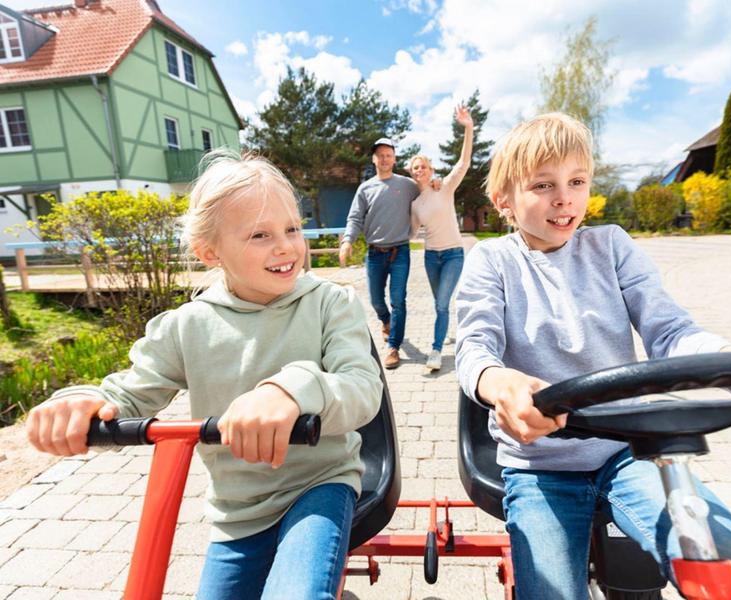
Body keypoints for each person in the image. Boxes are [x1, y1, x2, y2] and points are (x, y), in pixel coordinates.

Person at [455, 112, 731, 599]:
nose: (564, 198)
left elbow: (671, 330)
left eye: (576, 181)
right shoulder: (492, 261)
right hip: (540, 465)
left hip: (627, 450)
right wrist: (501, 382)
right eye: (543, 185)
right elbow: (474, 346)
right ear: (504, 201)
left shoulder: (611, 246)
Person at [26, 151, 383, 600]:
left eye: (292, 228)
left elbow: (362, 387)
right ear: (210, 252)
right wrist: (82, 401)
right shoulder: (187, 326)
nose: (286, 246)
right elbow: (132, 392)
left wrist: (292, 390)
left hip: (318, 484)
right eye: (259, 235)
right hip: (237, 509)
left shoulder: (331, 303)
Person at [339, 137, 419, 369]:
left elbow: (426, 196)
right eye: (380, 155)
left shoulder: (407, 185)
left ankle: (393, 347)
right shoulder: (365, 188)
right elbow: (354, 218)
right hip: (374, 253)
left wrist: (433, 185)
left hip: (400, 251)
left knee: (398, 301)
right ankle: (385, 321)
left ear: (394, 159)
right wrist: (347, 241)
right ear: (374, 159)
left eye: (388, 154)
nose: (384, 159)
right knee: (376, 300)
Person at [410, 105, 472, 371]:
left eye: (423, 166)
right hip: (430, 257)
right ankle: (445, 331)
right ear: (411, 172)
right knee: (441, 304)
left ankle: (435, 352)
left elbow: (464, 163)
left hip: (453, 254)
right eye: (415, 167)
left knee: (442, 303)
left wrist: (468, 127)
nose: (419, 170)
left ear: (431, 169)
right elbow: (411, 232)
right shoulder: (415, 203)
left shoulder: (444, 187)